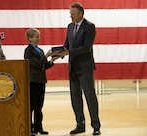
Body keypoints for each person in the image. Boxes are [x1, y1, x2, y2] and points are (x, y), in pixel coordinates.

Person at [59, 2, 101, 135]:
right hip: (73, 68)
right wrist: (57, 54)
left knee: (90, 97)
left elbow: (86, 47)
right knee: (75, 98)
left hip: (85, 68)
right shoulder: (70, 27)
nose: (71, 16)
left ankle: (96, 125)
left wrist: (69, 52)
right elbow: (67, 45)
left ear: (81, 14)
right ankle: (80, 124)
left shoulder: (89, 26)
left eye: (73, 14)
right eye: (70, 14)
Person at [24, 28, 57, 135]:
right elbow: (36, 65)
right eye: (36, 37)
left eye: (39, 36)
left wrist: (51, 61)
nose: (39, 38)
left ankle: (38, 126)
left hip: (41, 80)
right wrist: (45, 57)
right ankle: (30, 128)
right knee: (32, 106)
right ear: (30, 38)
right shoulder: (28, 51)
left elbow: (44, 65)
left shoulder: (40, 50)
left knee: (39, 106)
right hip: (32, 80)